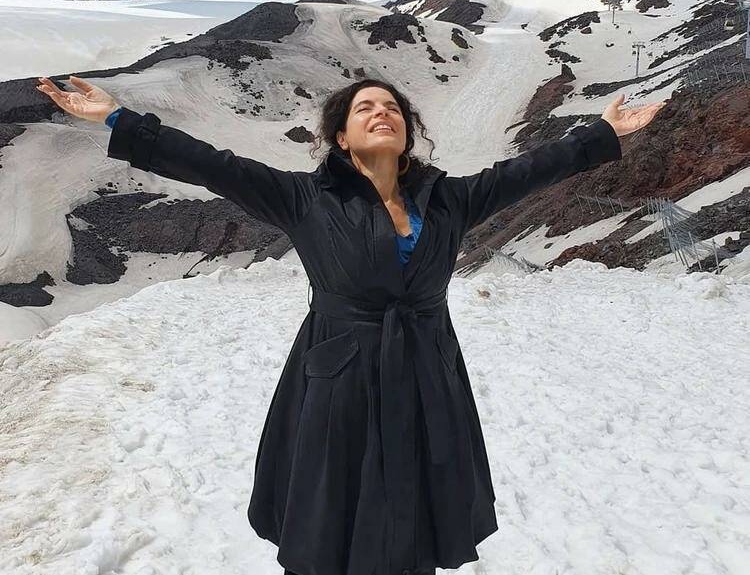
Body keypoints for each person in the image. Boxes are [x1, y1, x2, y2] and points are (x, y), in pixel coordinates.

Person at [36, 74, 666, 575]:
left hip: (425, 370)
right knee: (331, 512)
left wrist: (602, 133)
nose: (381, 113)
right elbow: (211, 165)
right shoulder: (306, 199)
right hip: (338, 376)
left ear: (407, 132)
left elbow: (529, 171)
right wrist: (117, 118)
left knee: (416, 509)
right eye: (365, 107)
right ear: (340, 136)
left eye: (391, 107)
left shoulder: (449, 199)